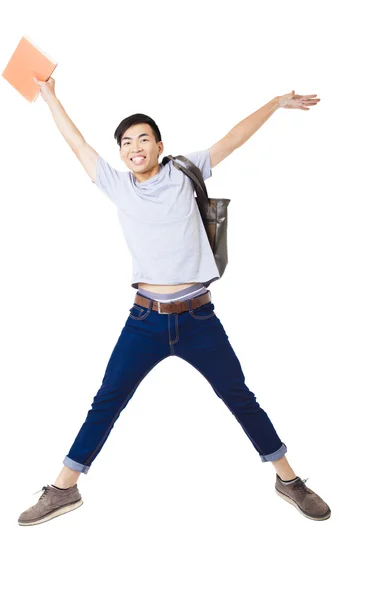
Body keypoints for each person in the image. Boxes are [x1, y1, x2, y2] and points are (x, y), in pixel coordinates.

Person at [18, 77, 330, 526]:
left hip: (199, 318)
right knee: (107, 401)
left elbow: (234, 139)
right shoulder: (117, 184)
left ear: (159, 145)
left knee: (239, 397)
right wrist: (51, 97)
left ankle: (288, 480)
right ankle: (63, 489)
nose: (134, 146)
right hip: (144, 321)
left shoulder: (187, 170)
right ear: (123, 154)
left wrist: (277, 102)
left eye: (143, 138)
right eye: (126, 142)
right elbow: (78, 143)